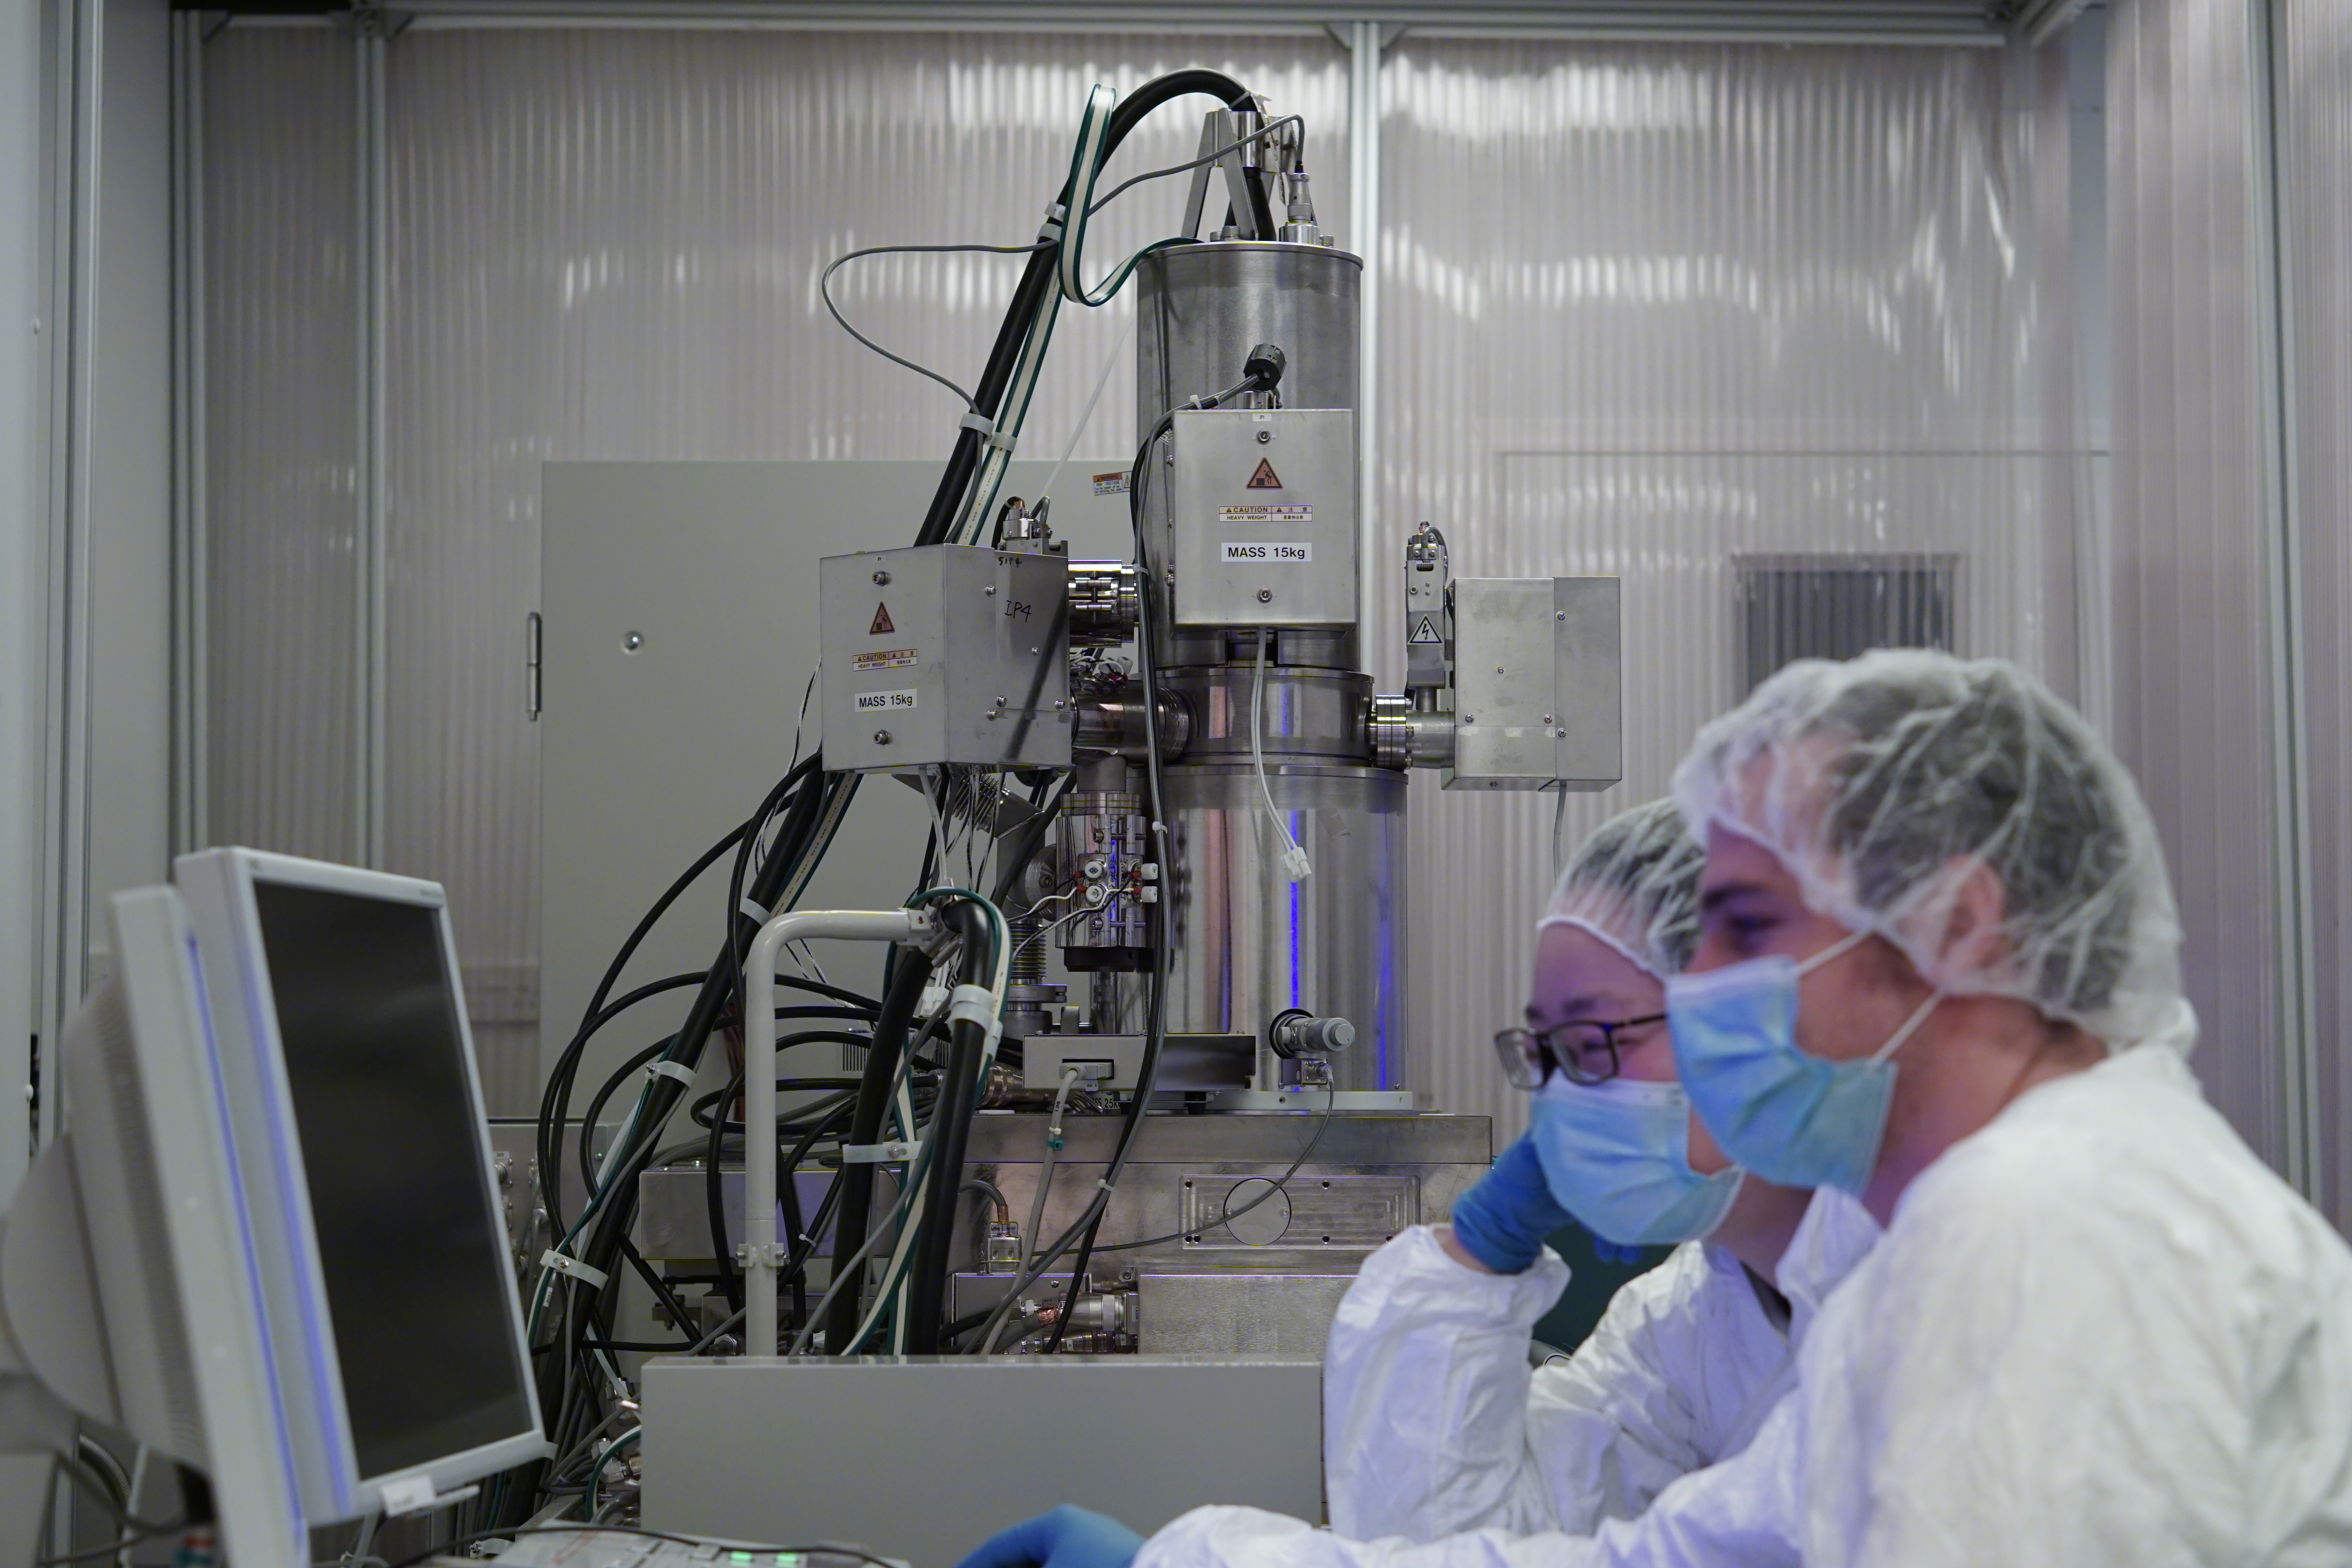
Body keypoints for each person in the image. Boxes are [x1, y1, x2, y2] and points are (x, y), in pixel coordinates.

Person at [965, 650, 2352, 1568]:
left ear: (1961, 922)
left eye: (1746, 926)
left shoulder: (2055, 1219)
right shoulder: (1967, 1236)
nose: (1714, 993)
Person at [958, 800, 1877, 1568]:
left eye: (1594, 1039)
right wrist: (1478, 1246)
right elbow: (1451, 1534)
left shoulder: (1919, 1307)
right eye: (1546, 1052)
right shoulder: (1702, 1317)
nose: (1563, 1100)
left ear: (1773, 1022)